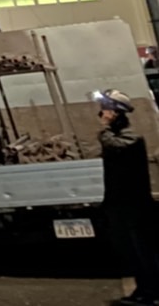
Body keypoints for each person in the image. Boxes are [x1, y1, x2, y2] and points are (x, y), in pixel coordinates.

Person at [99, 89, 159, 306]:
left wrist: (105, 129)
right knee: (132, 251)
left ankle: (150, 293)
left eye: (106, 110)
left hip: (134, 205)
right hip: (122, 203)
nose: (102, 113)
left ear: (116, 113)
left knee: (142, 250)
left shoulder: (131, 138)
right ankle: (144, 290)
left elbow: (113, 145)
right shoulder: (120, 136)